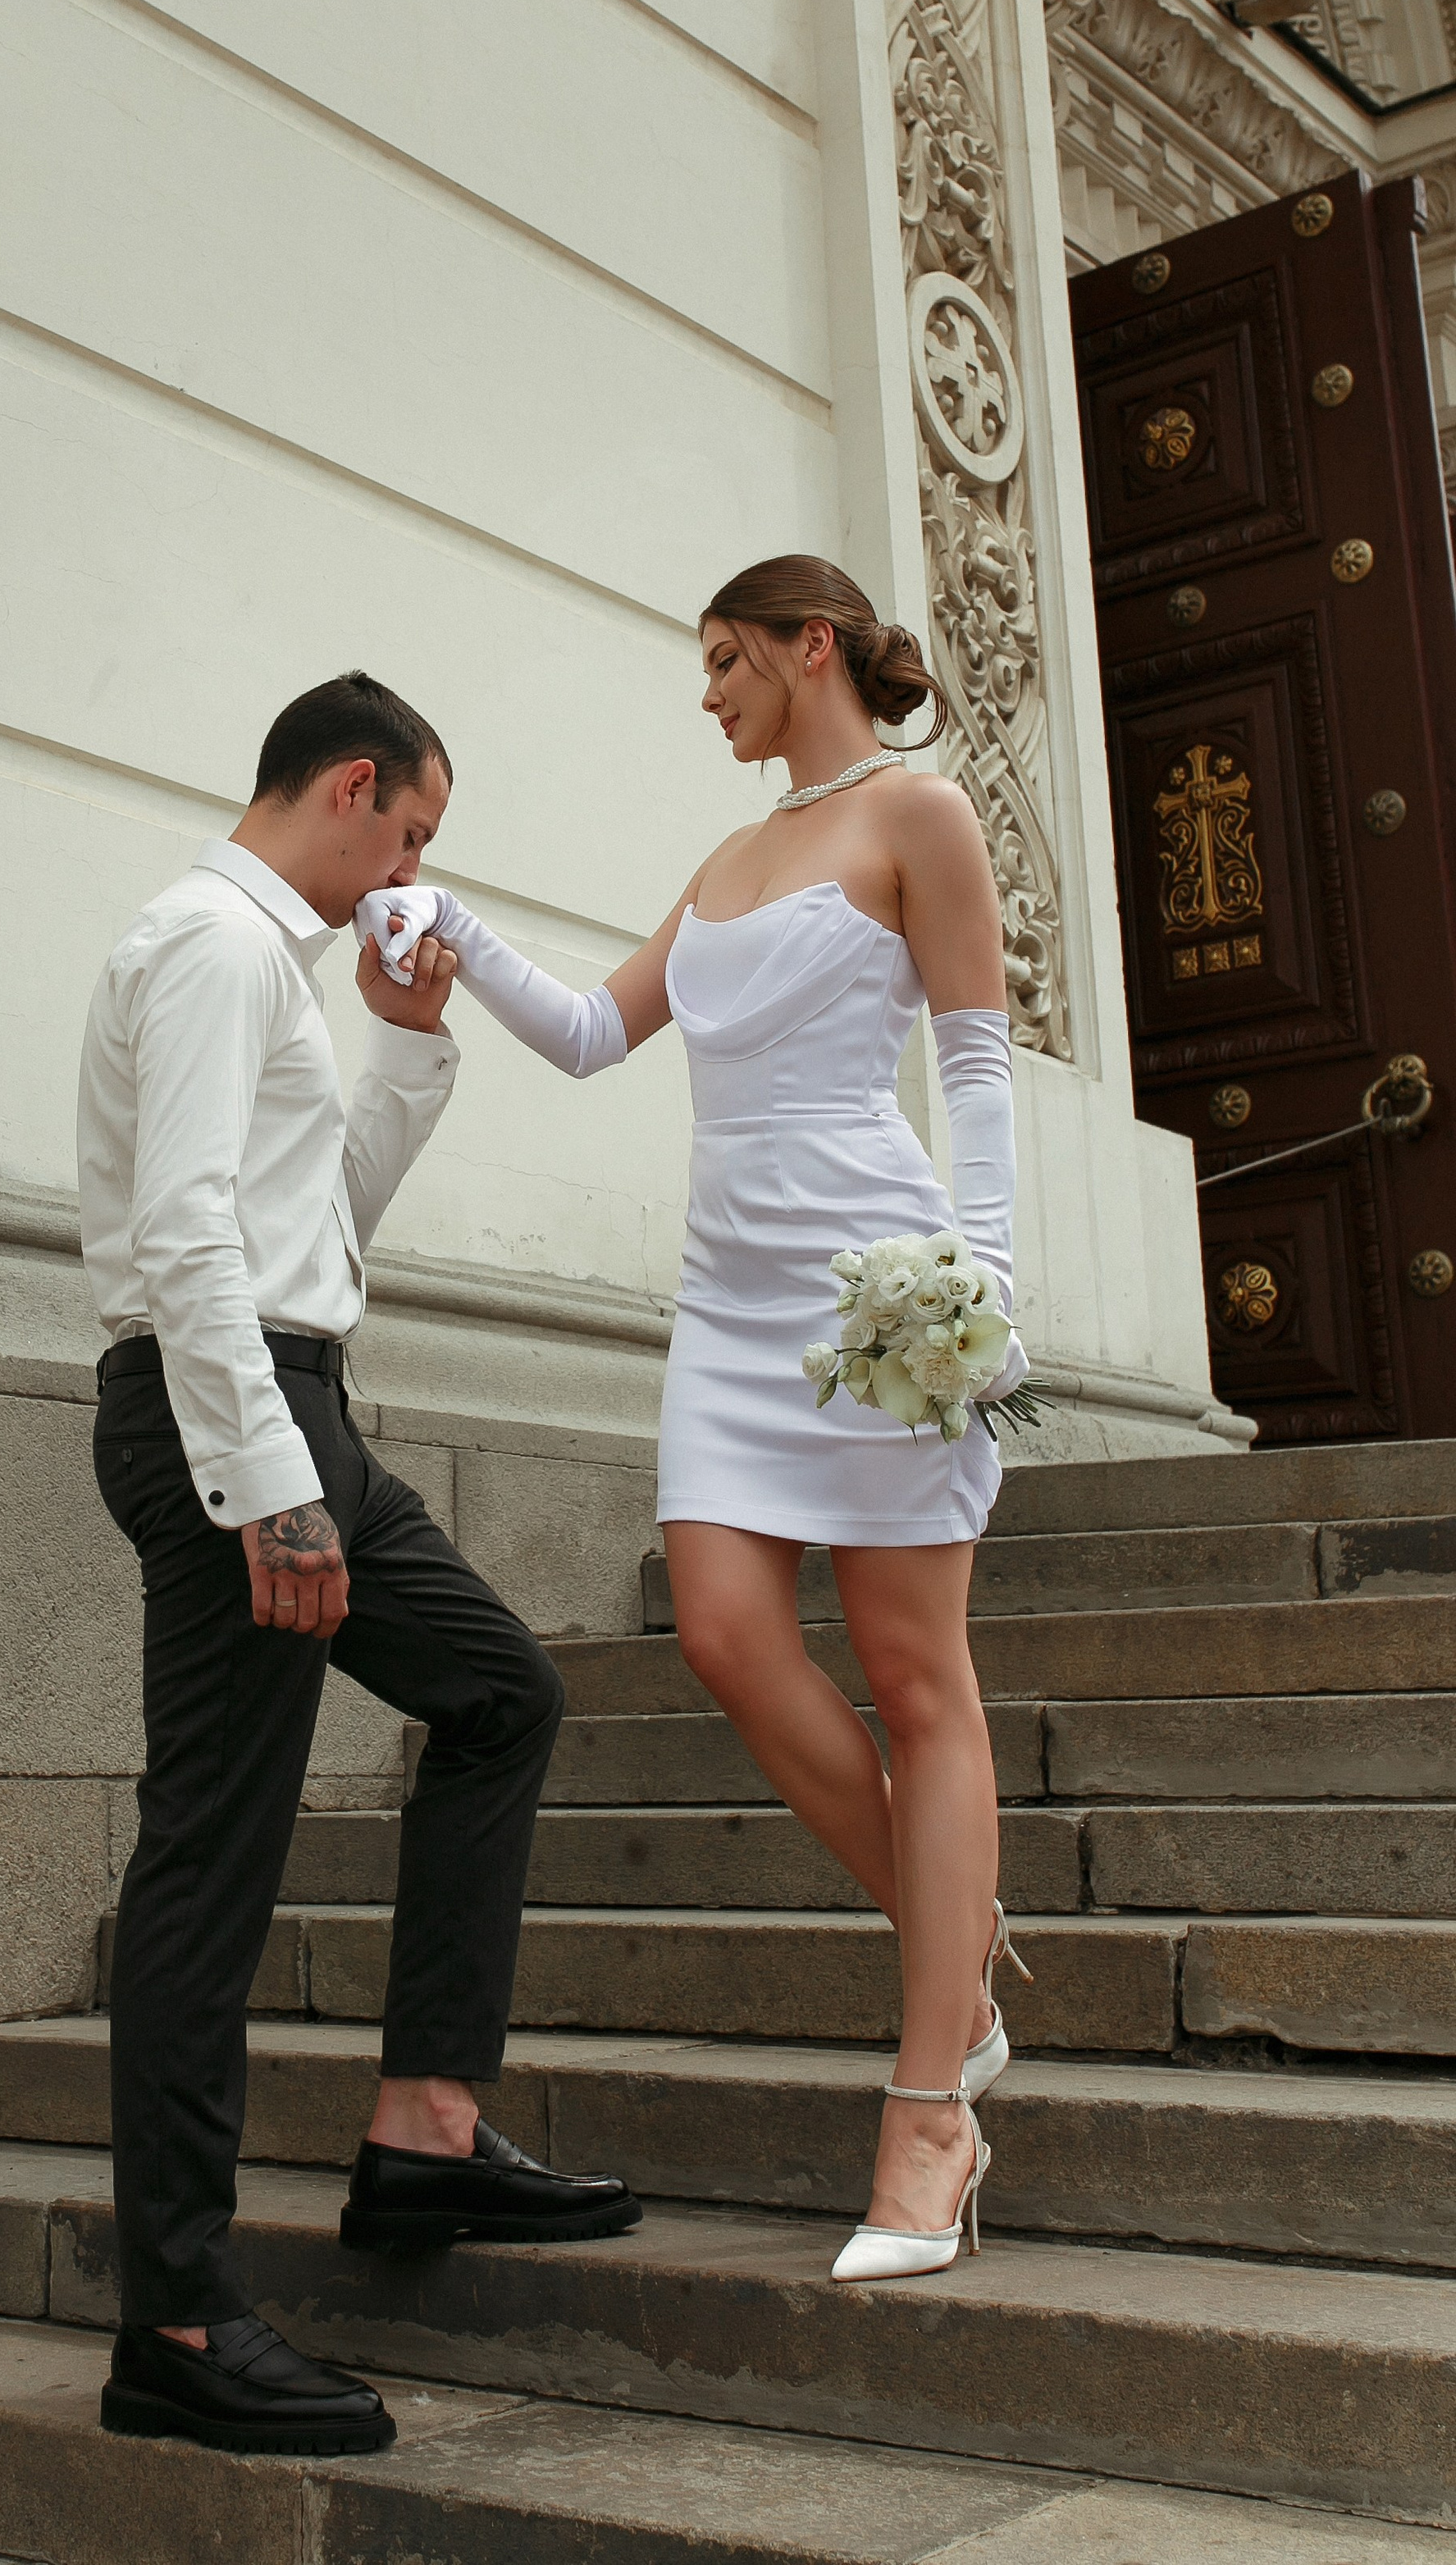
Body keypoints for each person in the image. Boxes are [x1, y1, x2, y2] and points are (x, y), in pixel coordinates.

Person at [358, 559, 1027, 2285]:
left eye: (728, 659)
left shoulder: (921, 815)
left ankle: (929, 2110)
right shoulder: (727, 860)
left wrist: (989, 1289)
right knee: (728, 1636)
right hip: (728, 1309)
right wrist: (457, 936)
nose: (709, 691)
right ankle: (957, 1964)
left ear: (812, 647)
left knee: (916, 1680)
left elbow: (972, 1063)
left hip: (880, 1286)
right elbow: (597, 1034)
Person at [79, 670, 641, 2461]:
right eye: (409, 834)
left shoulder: (278, 967)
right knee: (214, 1855)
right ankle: (175, 2319)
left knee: (499, 1695)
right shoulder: (212, 942)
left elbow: (318, 1226)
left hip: (296, 1401)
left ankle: (423, 2131)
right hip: (233, 1422)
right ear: (346, 786)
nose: (411, 874)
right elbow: (183, 1233)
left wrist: (407, 1040)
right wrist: (267, 1489)